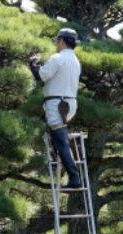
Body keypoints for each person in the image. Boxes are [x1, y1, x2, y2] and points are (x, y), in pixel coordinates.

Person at [29, 28, 82, 189]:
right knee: (60, 139)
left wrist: (33, 64)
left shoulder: (57, 58)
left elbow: (41, 76)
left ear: (61, 41)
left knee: (61, 142)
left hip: (57, 105)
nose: (55, 44)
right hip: (70, 104)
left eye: (56, 41)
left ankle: (74, 178)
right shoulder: (75, 60)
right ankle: (67, 170)